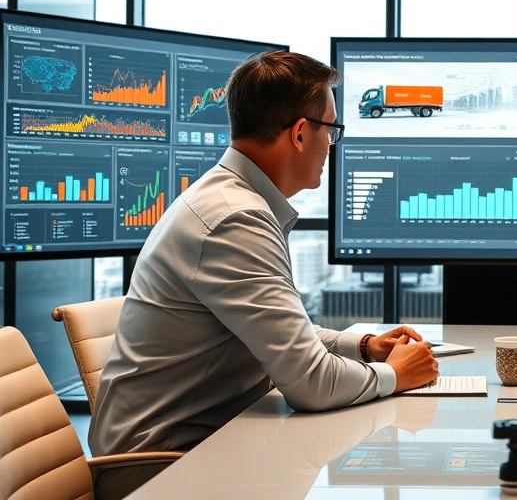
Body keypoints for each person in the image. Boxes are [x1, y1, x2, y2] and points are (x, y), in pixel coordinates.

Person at [90, 51, 439, 456]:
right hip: (159, 465)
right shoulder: (234, 218)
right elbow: (311, 384)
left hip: (202, 440)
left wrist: (363, 347)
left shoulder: (231, 198)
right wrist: (393, 375)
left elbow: (280, 333)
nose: (331, 145)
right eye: (332, 130)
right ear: (300, 133)